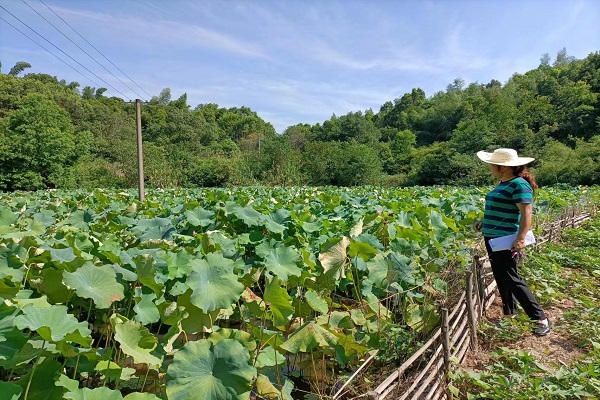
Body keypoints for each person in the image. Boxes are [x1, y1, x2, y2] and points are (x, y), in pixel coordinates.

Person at [474, 148, 551, 337]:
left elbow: (526, 213)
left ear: (503, 167)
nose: (490, 167)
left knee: (511, 277)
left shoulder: (519, 185)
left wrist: (521, 238)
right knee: (502, 276)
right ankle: (510, 313)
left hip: (505, 240)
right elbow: (504, 209)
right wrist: (485, 222)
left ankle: (540, 318)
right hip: (493, 237)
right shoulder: (503, 182)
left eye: (493, 164)